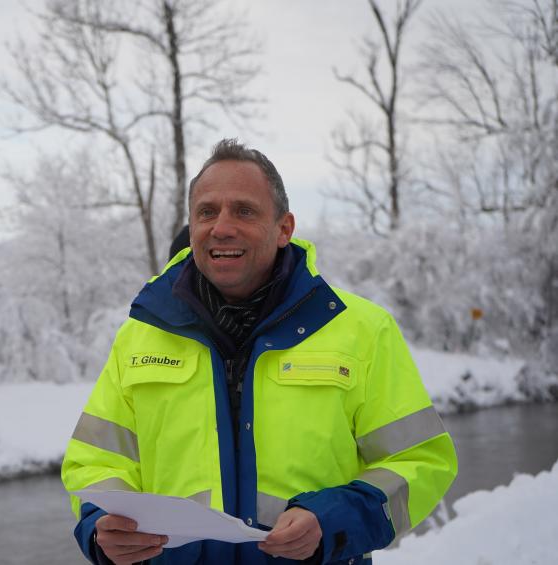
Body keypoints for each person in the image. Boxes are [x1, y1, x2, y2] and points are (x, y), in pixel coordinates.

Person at [61, 139, 457, 564]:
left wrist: (332, 520)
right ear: (191, 226)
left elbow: (420, 460)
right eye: (207, 212)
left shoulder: (362, 330)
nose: (222, 227)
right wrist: (101, 529)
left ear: (284, 228)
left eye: (244, 211)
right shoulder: (140, 337)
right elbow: (95, 465)